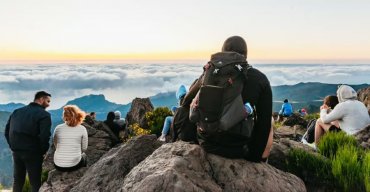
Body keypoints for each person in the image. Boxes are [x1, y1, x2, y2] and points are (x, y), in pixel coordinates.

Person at [182, 36, 273, 162]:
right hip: (238, 147)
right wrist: (254, 158)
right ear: (246, 55)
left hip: (206, 141)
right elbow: (264, 123)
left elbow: (186, 101)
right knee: (270, 120)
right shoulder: (259, 78)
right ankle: (263, 159)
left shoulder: (210, 72)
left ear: (222, 52)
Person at [4, 91, 52, 192]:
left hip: (16, 151)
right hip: (33, 152)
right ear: (41, 99)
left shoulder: (17, 111)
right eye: (48, 101)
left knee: (18, 180)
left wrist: (13, 146)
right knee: (35, 182)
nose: (48, 104)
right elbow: (45, 136)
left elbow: (7, 131)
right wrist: (43, 151)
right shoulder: (44, 115)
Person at [53, 105, 88, 172]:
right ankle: (82, 176)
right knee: (84, 156)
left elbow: (56, 145)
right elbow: (84, 148)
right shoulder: (82, 129)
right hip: (75, 165)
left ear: (65, 116)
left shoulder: (58, 128)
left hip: (58, 165)